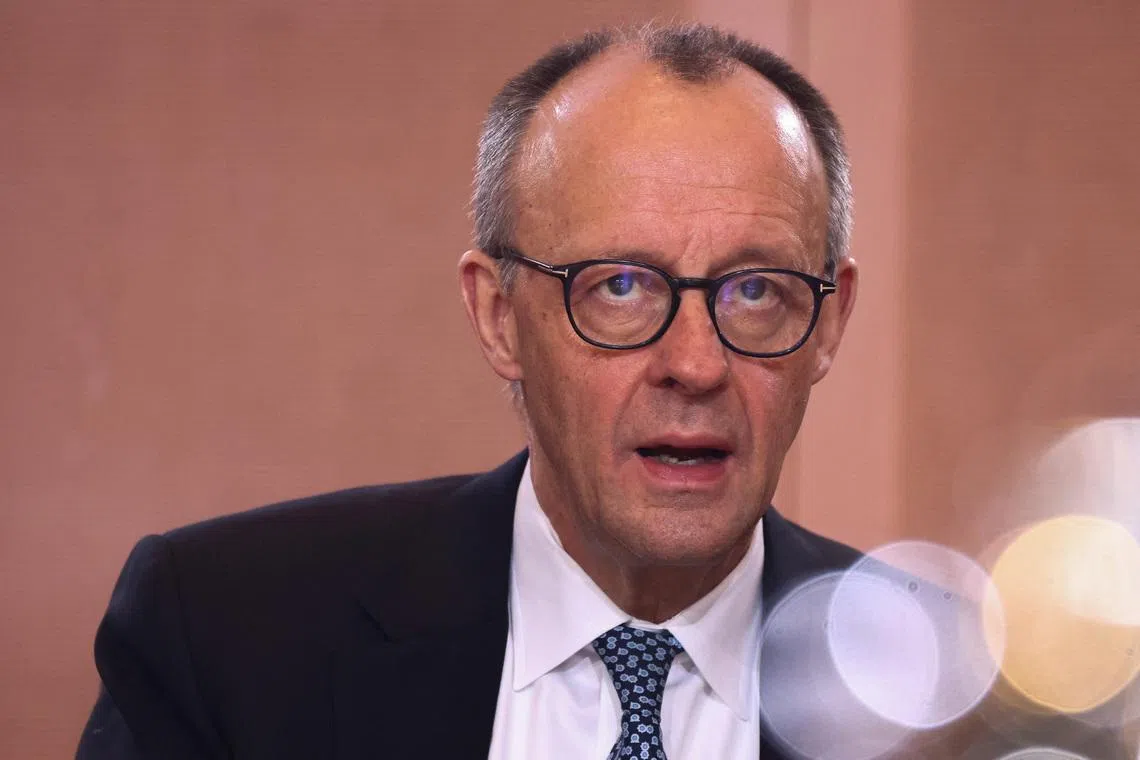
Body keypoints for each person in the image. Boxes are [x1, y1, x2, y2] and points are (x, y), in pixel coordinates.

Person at [76, 23, 1116, 760]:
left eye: (756, 290)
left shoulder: (955, 703)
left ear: (829, 322)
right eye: (620, 287)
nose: (695, 364)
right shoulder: (228, 635)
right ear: (499, 316)